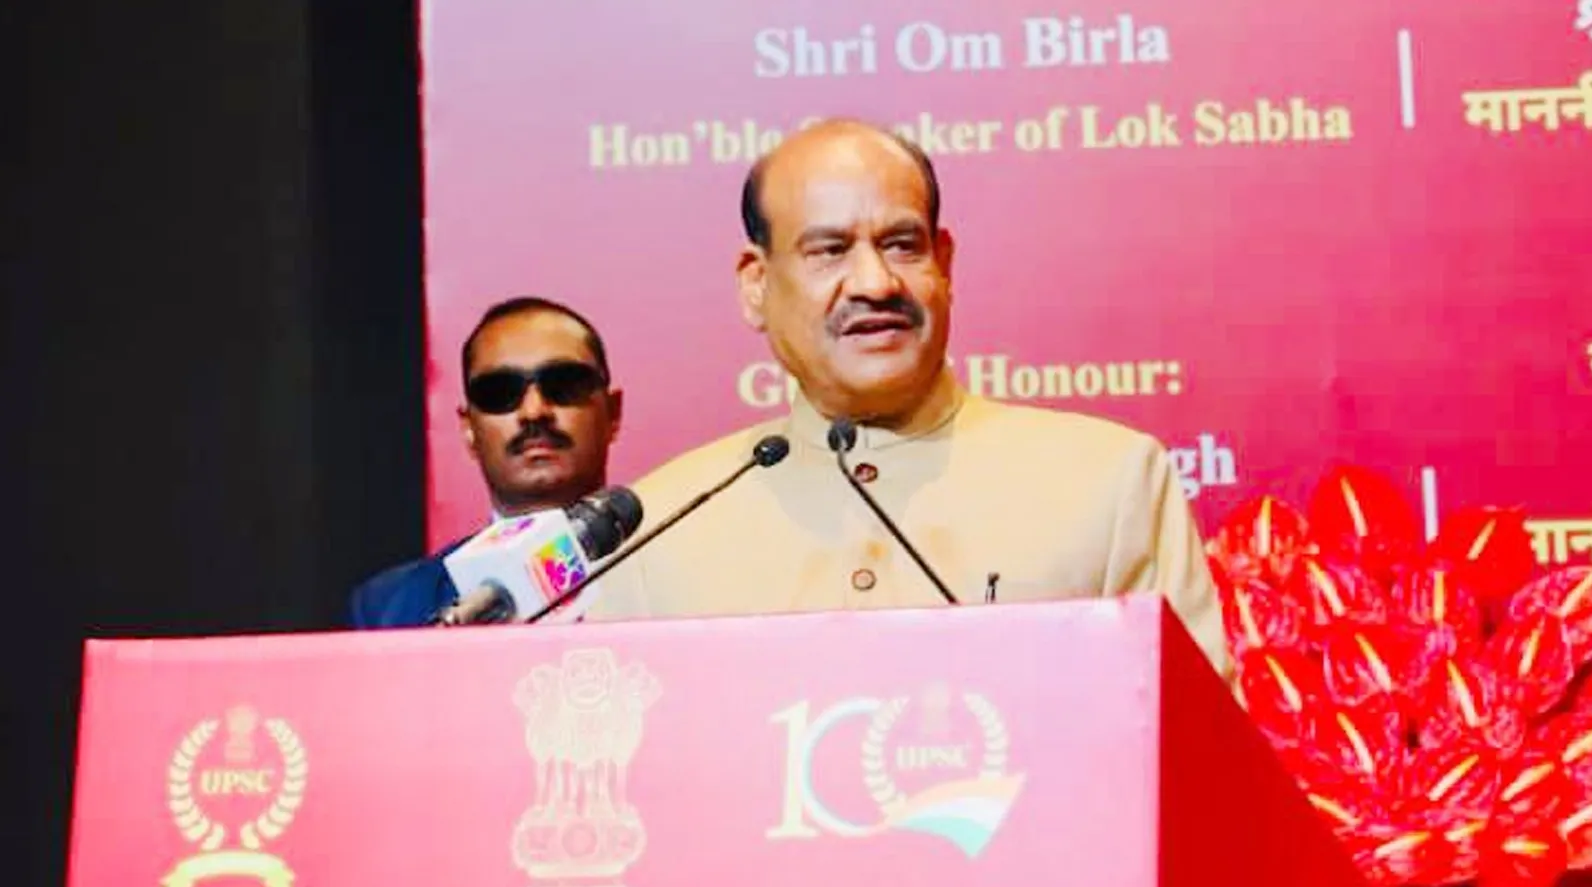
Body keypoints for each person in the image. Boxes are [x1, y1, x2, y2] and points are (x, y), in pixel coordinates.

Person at [585, 118, 1227, 676]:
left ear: (943, 264)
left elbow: (1194, 768)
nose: (875, 281)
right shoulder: (661, 530)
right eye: (829, 250)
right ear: (757, 285)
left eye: (902, 245)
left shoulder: (1110, 482)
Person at [347, 296, 623, 628]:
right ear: (468, 430)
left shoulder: (685, 568)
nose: (534, 411)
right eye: (499, 392)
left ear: (613, 414)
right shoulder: (391, 607)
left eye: (564, 385)